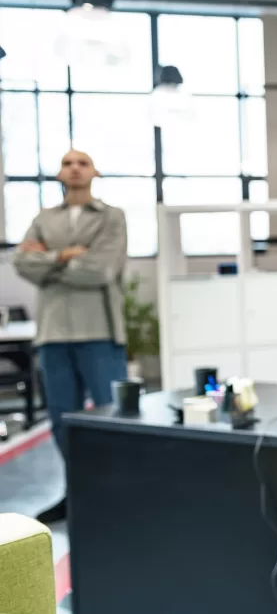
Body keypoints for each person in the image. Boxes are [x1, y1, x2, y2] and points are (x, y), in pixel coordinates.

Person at [13, 149, 128, 523]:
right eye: (67, 163)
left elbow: (100, 271)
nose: (74, 168)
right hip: (54, 333)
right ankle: (76, 493)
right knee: (62, 419)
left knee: (113, 417)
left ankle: (116, 491)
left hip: (99, 329)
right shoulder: (43, 218)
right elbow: (21, 263)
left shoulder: (112, 217)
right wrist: (67, 256)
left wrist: (48, 259)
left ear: (95, 171)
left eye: (82, 162)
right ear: (59, 174)